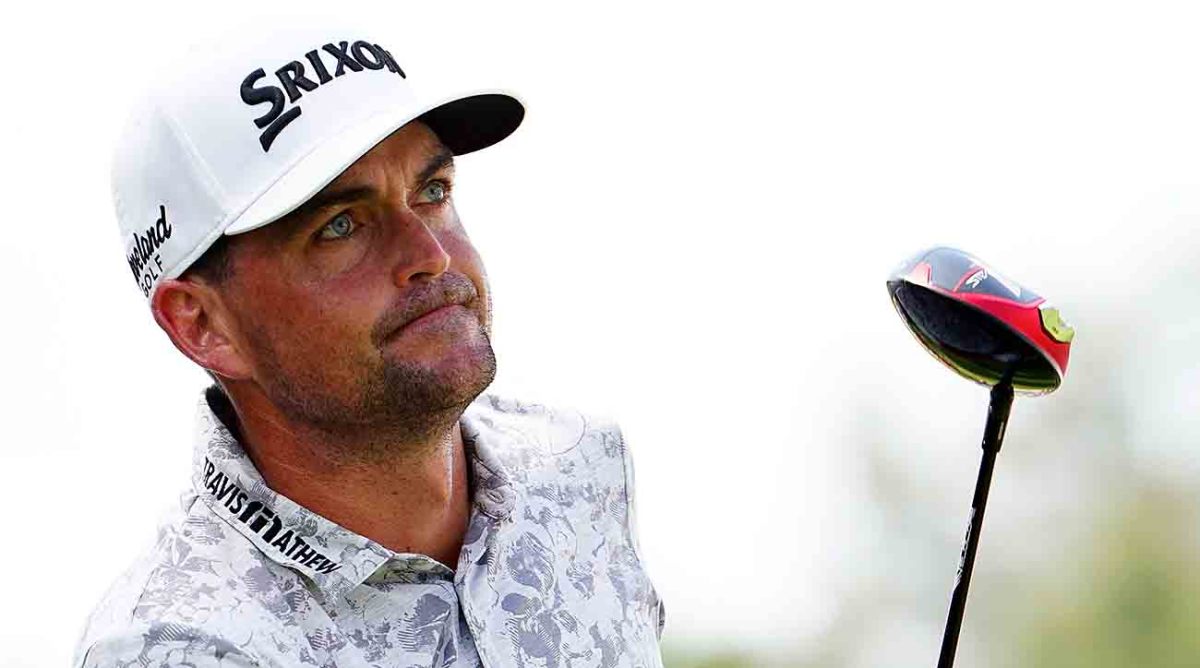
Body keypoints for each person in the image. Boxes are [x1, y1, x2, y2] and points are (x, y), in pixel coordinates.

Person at [74, 23, 665, 668]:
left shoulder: (583, 467)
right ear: (201, 325)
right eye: (342, 226)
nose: (430, 256)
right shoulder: (183, 648)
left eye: (432, 192)